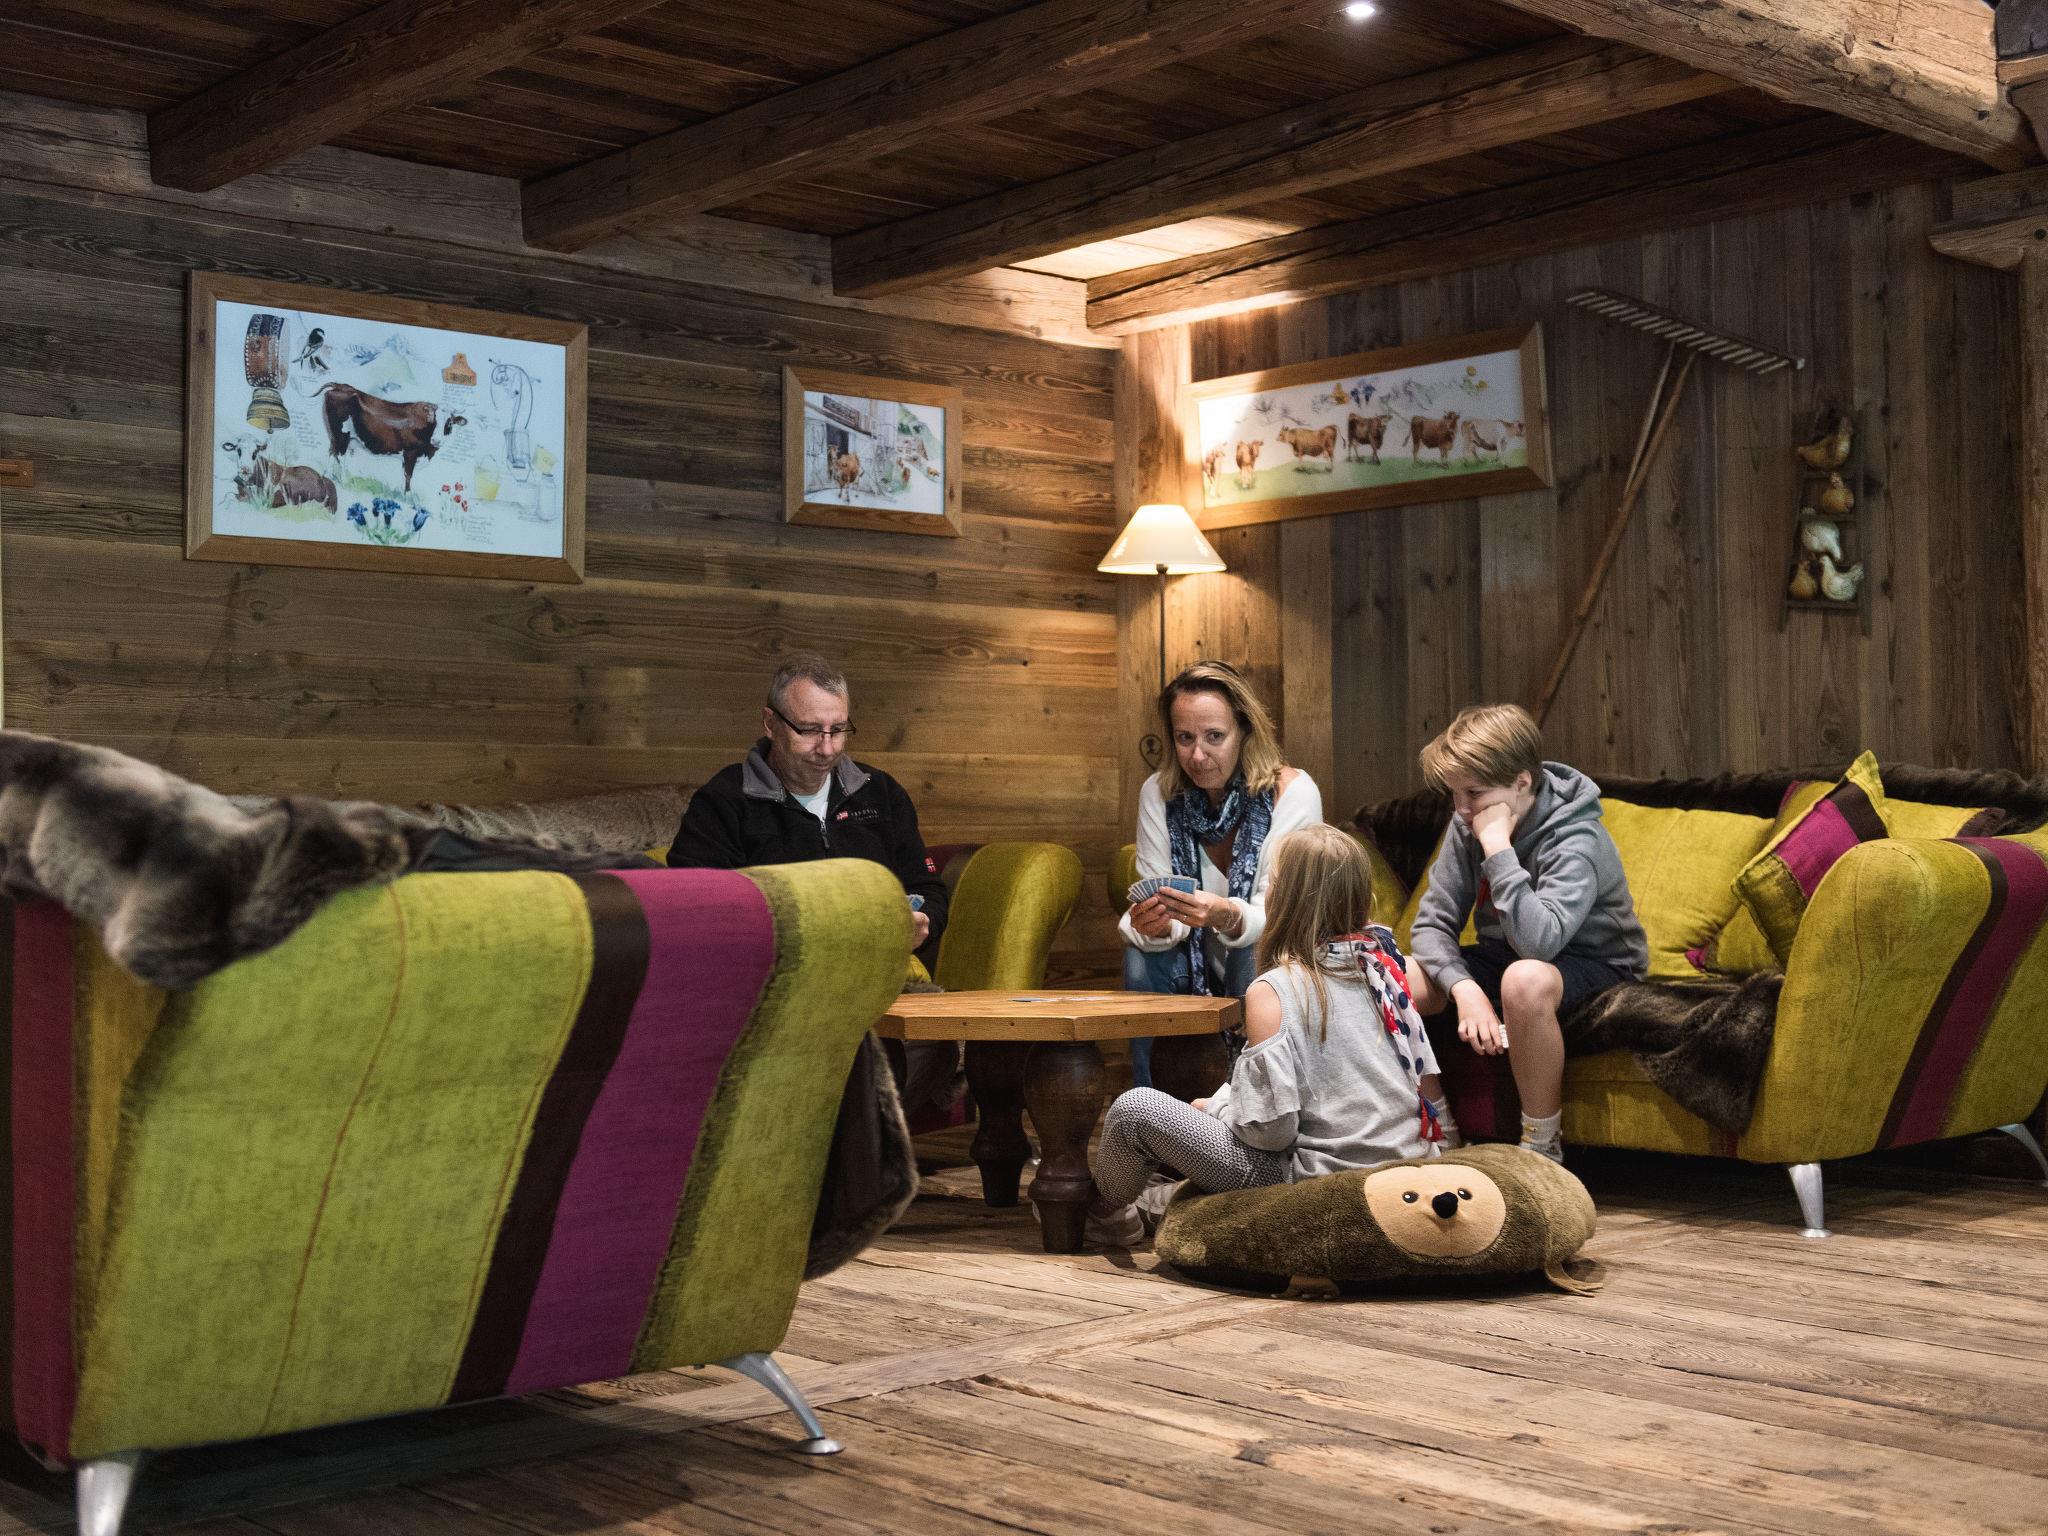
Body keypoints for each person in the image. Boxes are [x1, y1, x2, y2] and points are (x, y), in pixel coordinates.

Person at [1084, 824, 1453, 1246]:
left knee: (1135, 1109)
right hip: (1409, 1166)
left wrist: (1215, 1109)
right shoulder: (1388, 970)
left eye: (1271, 882)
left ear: (1285, 899)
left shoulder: (1272, 991)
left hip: (1314, 1182)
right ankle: (1160, 1202)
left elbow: (1271, 1132)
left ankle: (1107, 1215)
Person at [669, 655, 955, 1112]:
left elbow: (928, 887)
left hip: (875, 984)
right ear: (770, 723)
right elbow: (692, 909)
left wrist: (924, 923)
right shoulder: (724, 801)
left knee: (927, 1045)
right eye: (808, 730)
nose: (826, 748)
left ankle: (861, 1149)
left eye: (838, 730)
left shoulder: (880, 794)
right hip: (773, 989)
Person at [1404, 703, 1648, 1165]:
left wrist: (1497, 848)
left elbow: (1539, 944)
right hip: (1506, 954)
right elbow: (1432, 923)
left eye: (1474, 793)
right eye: (1454, 794)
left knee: (1523, 978)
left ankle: (1541, 1145)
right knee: (1391, 977)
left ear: (1520, 782)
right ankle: (1440, 1131)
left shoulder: (1576, 838)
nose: (1462, 809)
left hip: (1596, 963)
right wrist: (1464, 989)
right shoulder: (1468, 821)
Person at [1120, 663, 1323, 1086]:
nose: (1197, 756)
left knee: (1253, 952)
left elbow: (1283, 918)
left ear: (1245, 732)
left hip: (1273, 954)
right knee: (1140, 957)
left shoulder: (1293, 793)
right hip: (1192, 961)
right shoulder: (1158, 793)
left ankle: (1258, 1106)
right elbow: (1161, 902)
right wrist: (1156, 925)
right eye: (1185, 738)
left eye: (1214, 736)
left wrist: (1227, 916)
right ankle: (1148, 1106)